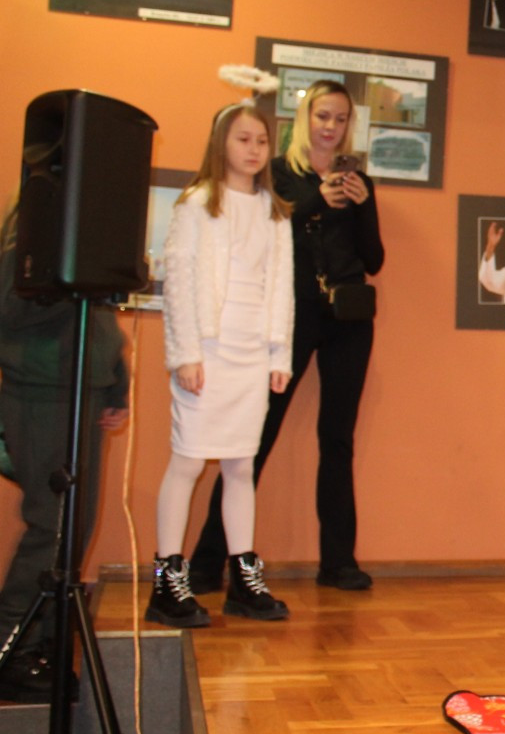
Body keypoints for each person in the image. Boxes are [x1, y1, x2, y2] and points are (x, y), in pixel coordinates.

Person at [188, 81, 385, 593]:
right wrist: (317, 201)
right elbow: (262, 237)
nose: (330, 127)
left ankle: (338, 563)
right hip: (287, 318)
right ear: (305, 118)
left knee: (337, 440)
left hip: (348, 320)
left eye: (340, 118)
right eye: (322, 116)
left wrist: (362, 205)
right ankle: (207, 563)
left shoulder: (358, 180)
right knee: (254, 437)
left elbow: (374, 259)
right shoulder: (275, 174)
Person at [149, 105, 294, 626]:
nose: (253, 150)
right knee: (188, 462)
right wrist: (186, 353)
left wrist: (279, 353)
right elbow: (179, 283)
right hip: (208, 352)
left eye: (262, 141)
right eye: (242, 139)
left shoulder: (275, 213)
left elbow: (281, 286)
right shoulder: (197, 204)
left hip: (252, 353)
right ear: (221, 144)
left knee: (240, 466)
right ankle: (167, 580)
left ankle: (243, 581)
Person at [0, 203, 130, 701]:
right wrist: (73, 287)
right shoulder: (30, 235)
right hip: (41, 395)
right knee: (51, 525)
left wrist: (115, 384)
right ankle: (9, 649)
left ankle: (44, 641)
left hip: (83, 391)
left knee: (73, 528)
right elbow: (14, 315)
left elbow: (102, 323)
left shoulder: (80, 232)